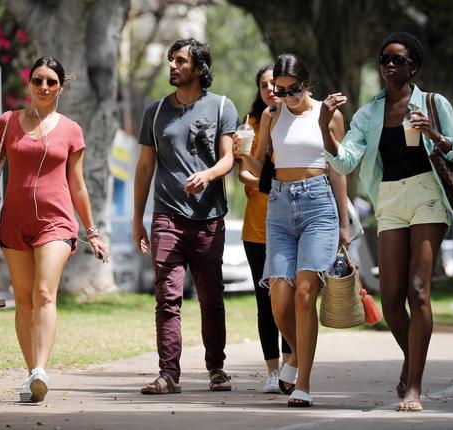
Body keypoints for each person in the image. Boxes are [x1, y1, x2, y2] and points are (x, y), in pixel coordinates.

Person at [319, 32, 453, 412]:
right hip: (389, 198)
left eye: (397, 60)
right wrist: (325, 126)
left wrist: (433, 134)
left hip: (427, 195)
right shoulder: (368, 114)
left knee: (418, 290)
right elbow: (344, 161)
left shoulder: (433, 103)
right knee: (390, 303)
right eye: (384, 59)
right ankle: (412, 361)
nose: (389, 65)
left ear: (413, 66)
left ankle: (413, 386)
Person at [0, 56, 108, 403]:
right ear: (29, 84)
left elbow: (77, 186)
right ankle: (32, 374)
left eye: (51, 82)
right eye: (37, 80)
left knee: (44, 293)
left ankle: (41, 369)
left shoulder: (71, 130)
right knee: (24, 299)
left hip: (56, 222)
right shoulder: (7, 123)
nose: (43, 87)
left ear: (61, 87)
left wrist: (91, 231)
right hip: (14, 222)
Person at [240, 52, 350, 408]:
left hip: (319, 204)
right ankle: (296, 356)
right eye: (279, 90)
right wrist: (243, 155)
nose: (285, 97)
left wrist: (345, 224)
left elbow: (338, 168)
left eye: (293, 90)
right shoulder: (272, 116)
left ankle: (302, 383)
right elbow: (262, 164)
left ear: (308, 83)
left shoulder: (327, 115)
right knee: (278, 300)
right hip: (280, 206)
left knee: (305, 294)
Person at [134, 38, 238, 395]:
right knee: (167, 297)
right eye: (170, 60)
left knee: (211, 297)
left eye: (180, 60)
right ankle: (168, 374)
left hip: (208, 218)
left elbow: (228, 159)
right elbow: (145, 167)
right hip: (166, 217)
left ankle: (217, 368)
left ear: (199, 67)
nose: (172, 66)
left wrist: (207, 175)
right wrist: (137, 219)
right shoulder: (155, 111)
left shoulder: (223, 106)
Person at [233, 64, 292, 393]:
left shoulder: (294, 122)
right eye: (263, 84)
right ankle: (272, 372)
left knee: (289, 298)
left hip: (289, 221)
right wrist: (274, 181)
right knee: (265, 300)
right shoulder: (251, 124)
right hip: (257, 227)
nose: (269, 89)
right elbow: (243, 172)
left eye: (274, 83)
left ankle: (289, 366)